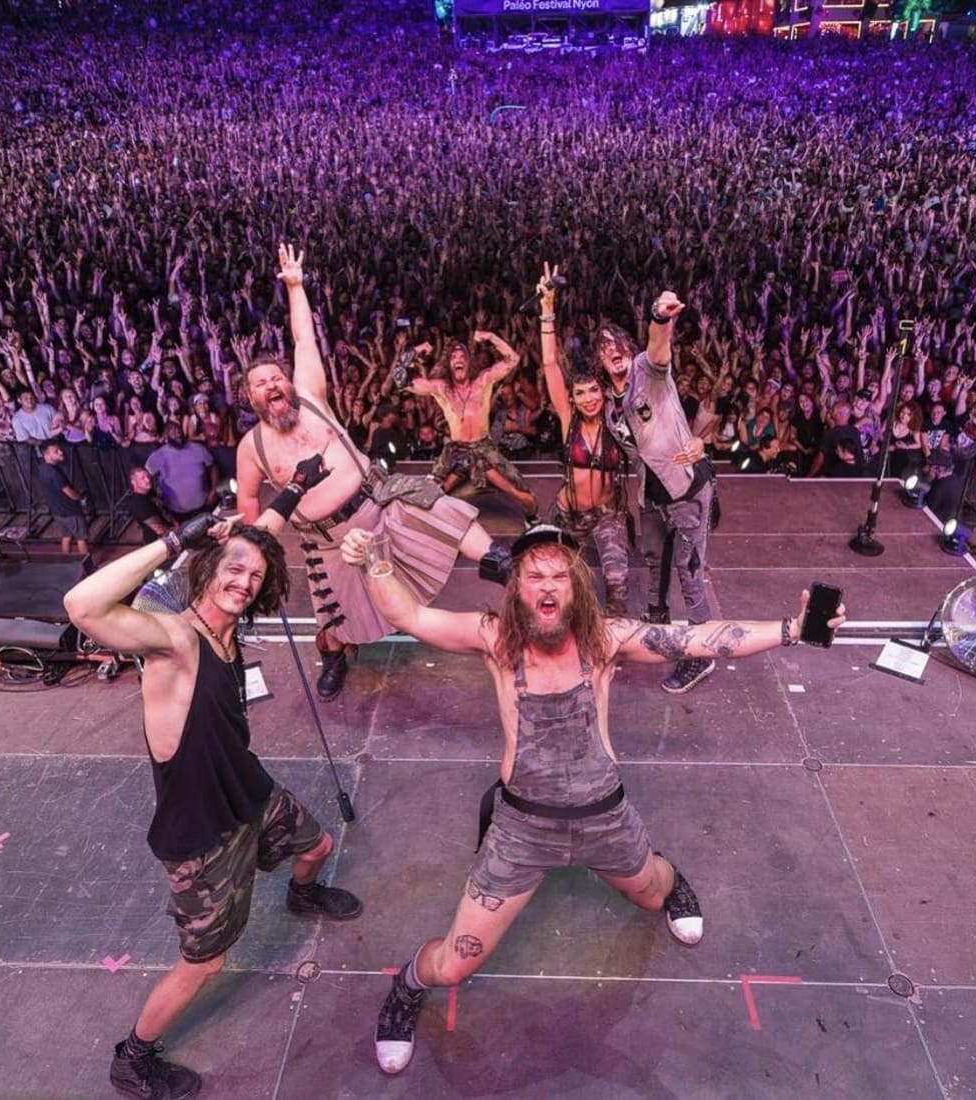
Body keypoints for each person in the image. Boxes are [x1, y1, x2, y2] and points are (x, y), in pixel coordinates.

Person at [340, 524, 844, 1077]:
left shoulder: (605, 638)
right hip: (521, 833)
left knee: (654, 895)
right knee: (455, 966)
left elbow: (700, 638)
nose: (548, 585)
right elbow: (412, 617)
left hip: (606, 818)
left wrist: (794, 628)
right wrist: (377, 562)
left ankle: (675, 880)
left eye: (560, 575)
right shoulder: (495, 637)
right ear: (518, 587)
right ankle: (406, 987)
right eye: (535, 576)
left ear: (577, 587)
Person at [64, 518, 362, 1100]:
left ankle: (302, 894)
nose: (245, 581)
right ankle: (134, 1057)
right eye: (233, 568)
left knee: (319, 846)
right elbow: (82, 604)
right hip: (201, 831)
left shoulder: (227, 636)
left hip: (247, 792)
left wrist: (286, 498)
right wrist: (178, 538)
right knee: (204, 964)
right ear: (204, 568)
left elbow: (262, 531)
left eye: (255, 575)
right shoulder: (175, 638)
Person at [235, 244, 511, 702]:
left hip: (379, 499)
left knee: (439, 506)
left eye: (275, 377)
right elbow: (248, 501)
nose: (272, 385)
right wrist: (255, 549)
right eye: (260, 383)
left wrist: (296, 287)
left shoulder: (310, 395)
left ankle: (501, 564)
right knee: (336, 618)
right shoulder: (251, 448)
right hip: (328, 538)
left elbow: (304, 340)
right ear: (251, 399)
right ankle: (337, 658)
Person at [595, 289, 717, 694]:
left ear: (630, 350)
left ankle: (702, 656)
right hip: (652, 496)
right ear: (599, 360)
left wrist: (659, 316)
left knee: (690, 570)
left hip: (686, 490)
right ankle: (660, 633)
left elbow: (658, 346)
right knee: (655, 565)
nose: (612, 351)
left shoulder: (649, 370)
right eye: (603, 348)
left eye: (618, 345)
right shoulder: (610, 406)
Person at [536, 264, 631, 615]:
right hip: (568, 512)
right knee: (545, 577)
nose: (589, 398)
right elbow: (549, 364)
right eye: (581, 393)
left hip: (607, 513)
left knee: (617, 582)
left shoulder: (616, 419)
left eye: (594, 390)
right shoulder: (568, 418)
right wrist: (548, 311)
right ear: (572, 398)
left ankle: (614, 639)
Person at [409, 331, 539, 520]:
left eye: (463, 356)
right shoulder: (441, 388)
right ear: (449, 364)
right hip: (455, 450)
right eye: (454, 356)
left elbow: (513, 359)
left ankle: (532, 519)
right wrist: (417, 349)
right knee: (427, 496)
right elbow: (399, 380)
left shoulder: (483, 381)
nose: (458, 359)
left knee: (525, 494)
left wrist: (491, 337)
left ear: (470, 363)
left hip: (484, 447)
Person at [147, 421, 219, 520]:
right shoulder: (158, 456)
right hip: (178, 514)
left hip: (205, 506)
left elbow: (213, 468)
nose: (178, 433)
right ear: (166, 436)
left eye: (179, 430)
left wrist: (214, 490)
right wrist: (154, 498)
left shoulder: (197, 448)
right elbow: (145, 478)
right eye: (173, 431)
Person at [36, 440, 90, 556]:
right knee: (81, 538)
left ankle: (66, 562)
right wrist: (79, 497)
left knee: (67, 536)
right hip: (69, 511)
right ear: (46, 454)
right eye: (56, 451)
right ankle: (89, 568)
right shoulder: (54, 473)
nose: (61, 452)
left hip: (57, 511)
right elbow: (69, 492)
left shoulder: (42, 468)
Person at [122, 465, 173, 541]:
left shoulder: (149, 491)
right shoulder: (138, 504)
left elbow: (162, 509)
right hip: (159, 541)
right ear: (134, 482)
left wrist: (174, 522)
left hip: (169, 528)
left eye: (148, 476)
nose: (147, 480)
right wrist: (177, 533)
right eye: (142, 478)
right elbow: (159, 530)